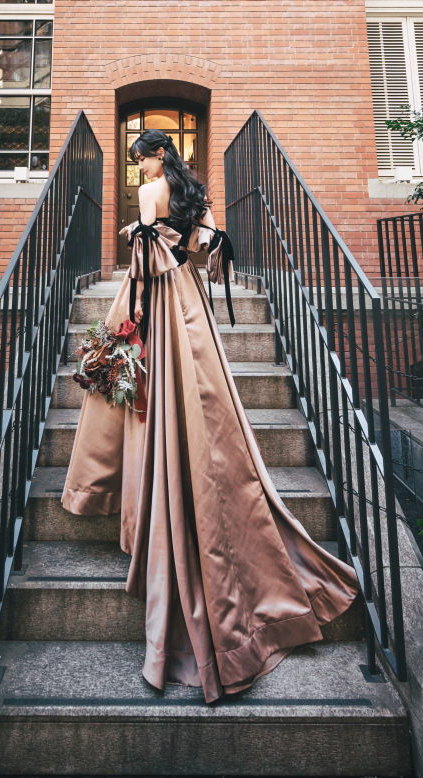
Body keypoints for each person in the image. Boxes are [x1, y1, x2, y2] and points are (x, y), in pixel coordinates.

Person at [62, 128, 359, 703]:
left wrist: (130, 315)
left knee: (135, 388)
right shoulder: (192, 193)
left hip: (158, 303)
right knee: (201, 387)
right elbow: (208, 249)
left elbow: (144, 269)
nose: (139, 169)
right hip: (190, 299)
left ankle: (153, 492)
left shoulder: (151, 194)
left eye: (141, 160)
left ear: (157, 156)